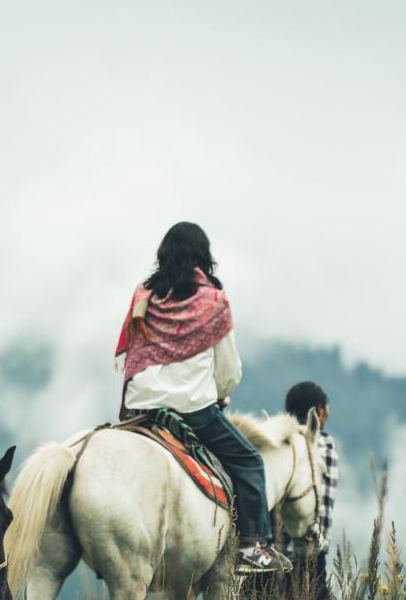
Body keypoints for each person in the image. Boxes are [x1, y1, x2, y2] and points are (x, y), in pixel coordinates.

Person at [115, 222, 291, 574]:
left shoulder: (144, 296)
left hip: (140, 407)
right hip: (191, 410)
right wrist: (221, 395)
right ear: (204, 257)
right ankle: (254, 547)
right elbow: (228, 371)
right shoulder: (213, 301)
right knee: (250, 462)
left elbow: (133, 355)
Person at [279, 380, 339, 600]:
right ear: (320, 412)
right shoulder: (324, 444)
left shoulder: (279, 444)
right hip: (310, 552)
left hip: (273, 551)